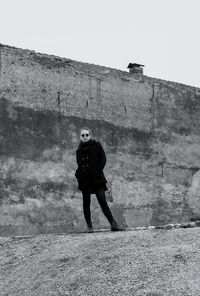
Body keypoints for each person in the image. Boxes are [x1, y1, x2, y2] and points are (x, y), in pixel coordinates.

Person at [75, 127, 122, 232]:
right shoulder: (78, 151)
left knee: (102, 201)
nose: (85, 137)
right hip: (85, 180)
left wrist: (97, 171)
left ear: (90, 135)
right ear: (80, 137)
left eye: (87, 135)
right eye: (83, 135)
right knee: (86, 203)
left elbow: (103, 159)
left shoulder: (96, 145)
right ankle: (89, 227)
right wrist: (78, 175)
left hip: (97, 179)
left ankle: (113, 224)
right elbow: (79, 164)